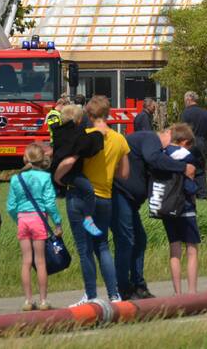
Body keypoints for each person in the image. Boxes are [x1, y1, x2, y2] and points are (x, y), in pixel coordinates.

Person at [56, 95, 130, 305]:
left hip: (80, 198)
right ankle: (114, 294)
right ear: (108, 114)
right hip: (105, 197)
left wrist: (58, 177)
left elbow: (70, 161)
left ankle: (90, 294)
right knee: (103, 246)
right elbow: (124, 173)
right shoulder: (119, 139)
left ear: (88, 114)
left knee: (84, 248)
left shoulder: (85, 136)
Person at [112, 126, 196, 299]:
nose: (169, 149)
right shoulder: (151, 139)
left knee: (139, 239)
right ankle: (123, 289)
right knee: (126, 240)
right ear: (168, 133)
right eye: (172, 143)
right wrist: (182, 167)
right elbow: (154, 159)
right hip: (120, 195)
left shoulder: (153, 144)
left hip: (129, 199)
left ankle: (138, 286)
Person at [6, 143, 62, 312]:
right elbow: (50, 203)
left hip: (23, 219)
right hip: (39, 220)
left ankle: (28, 300)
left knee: (26, 261)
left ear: (25, 158)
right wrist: (57, 222)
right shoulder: (45, 178)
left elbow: (11, 206)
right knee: (40, 261)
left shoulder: (16, 178)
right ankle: (43, 300)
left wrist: (19, 219)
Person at [156, 123, 201, 295]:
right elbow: (191, 179)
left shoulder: (162, 155)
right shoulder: (187, 156)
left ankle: (177, 293)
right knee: (191, 250)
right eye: (189, 144)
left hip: (167, 206)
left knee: (174, 249)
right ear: (183, 141)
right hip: (186, 206)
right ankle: (192, 292)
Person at [49, 104, 103, 237]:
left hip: (60, 171)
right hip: (70, 172)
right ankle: (88, 218)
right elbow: (76, 154)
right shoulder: (76, 134)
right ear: (78, 120)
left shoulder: (58, 132)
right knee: (89, 191)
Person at [180, 91, 207, 199]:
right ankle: (202, 195)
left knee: (187, 168)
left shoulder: (185, 113)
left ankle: (188, 194)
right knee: (200, 171)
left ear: (188, 99)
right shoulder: (205, 113)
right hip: (201, 143)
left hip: (188, 143)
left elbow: (182, 131)